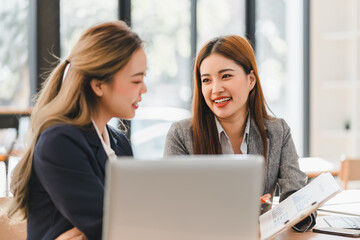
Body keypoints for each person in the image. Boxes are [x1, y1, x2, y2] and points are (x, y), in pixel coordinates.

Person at [7, 20, 147, 240]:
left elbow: (132, 221)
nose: (144, 89)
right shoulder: (60, 141)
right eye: (136, 80)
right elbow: (110, 227)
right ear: (98, 85)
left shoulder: (119, 142)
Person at [164, 35, 316, 232]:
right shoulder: (181, 135)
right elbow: (172, 207)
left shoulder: (278, 132)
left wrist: (303, 210)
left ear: (251, 80)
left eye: (226, 76)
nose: (216, 89)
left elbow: (294, 193)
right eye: (207, 80)